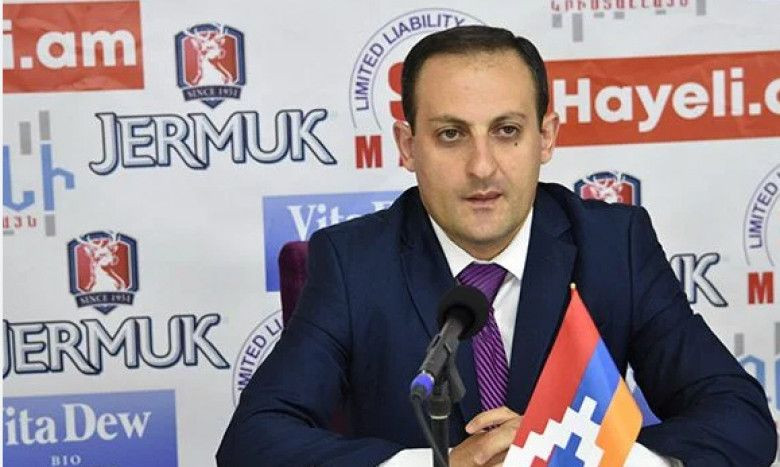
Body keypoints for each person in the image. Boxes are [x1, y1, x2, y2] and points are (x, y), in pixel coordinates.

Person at [217, 26, 776, 466]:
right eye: (451, 134)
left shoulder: (615, 245)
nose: (482, 167)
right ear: (408, 146)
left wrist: (581, 458)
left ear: (546, 137)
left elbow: (740, 419)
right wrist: (442, 464)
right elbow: (254, 441)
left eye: (507, 131)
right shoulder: (353, 263)